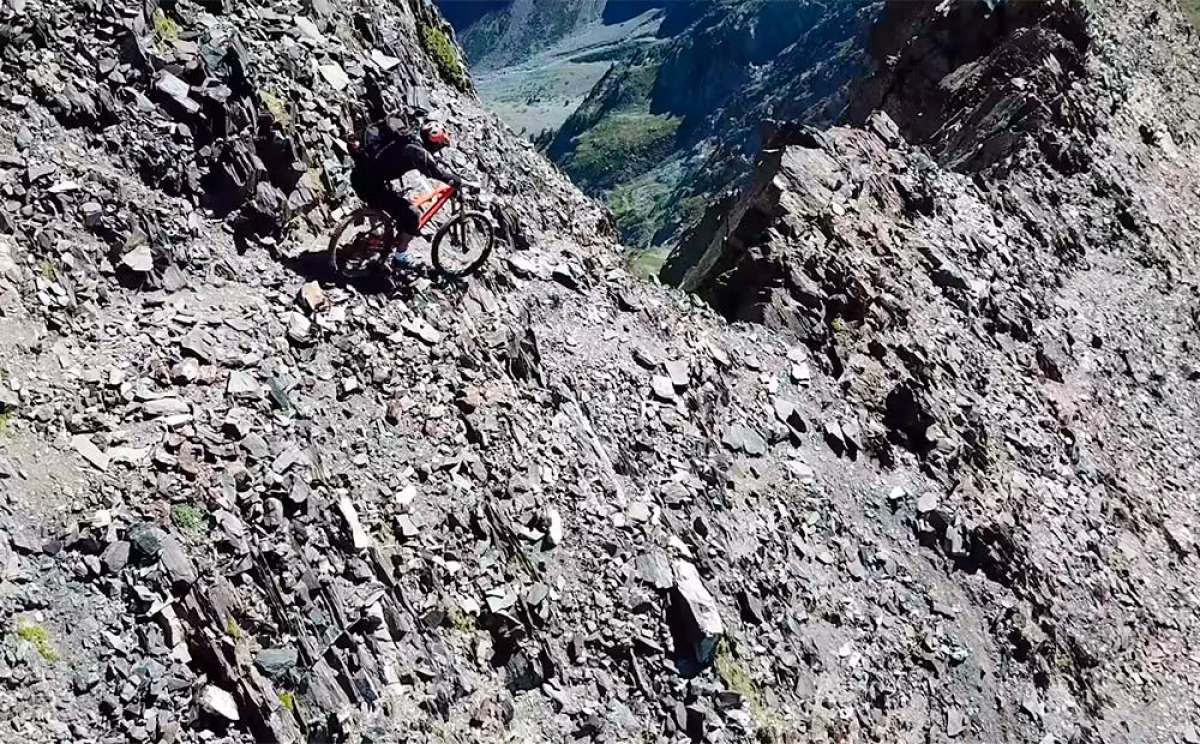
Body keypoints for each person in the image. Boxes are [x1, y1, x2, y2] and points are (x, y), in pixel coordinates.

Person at [350, 117, 464, 270]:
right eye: (439, 146)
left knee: (393, 201)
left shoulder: (407, 135)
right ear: (434, 144)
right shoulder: (418, 152)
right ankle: (400, 257)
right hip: (370, 186)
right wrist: (457, 181)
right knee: (413, 216)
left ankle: (376, 234)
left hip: (360, 174)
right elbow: (437, 174)